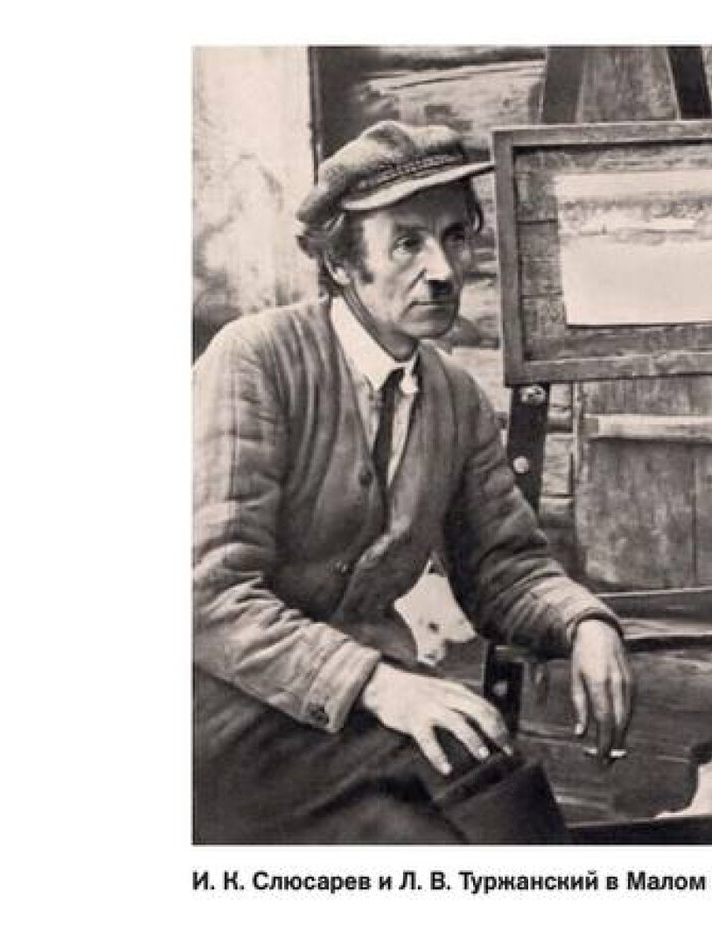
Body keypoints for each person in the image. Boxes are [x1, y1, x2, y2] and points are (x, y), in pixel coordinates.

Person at [193, 121, 632, 843]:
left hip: (360, 720)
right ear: (341, 263)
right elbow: (206, 593)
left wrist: (583, 622)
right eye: (407, 243)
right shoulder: (257, 360)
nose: (443, 269)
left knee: (495, 783)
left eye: (455, 237)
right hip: (223, 723)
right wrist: (378, 683)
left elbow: (503, 566)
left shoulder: (453, 397)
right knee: (440, 825)